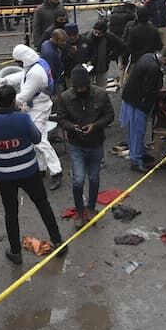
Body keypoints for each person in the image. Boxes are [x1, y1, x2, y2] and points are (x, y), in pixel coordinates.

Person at [0, 85, 64, 264]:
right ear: (14, 100)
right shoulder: (23, 119)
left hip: (4, 175)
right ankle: (58, 242)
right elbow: (37, 138)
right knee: (42, 205)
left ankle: (15, 252)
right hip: (29, 171)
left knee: (11, 212)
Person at [56, 67, 114, 227]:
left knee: (94, 177)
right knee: (78, 180)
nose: (80, 90)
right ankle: (80, 211)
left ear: (88, 84)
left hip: (96, 143)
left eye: (83, 87)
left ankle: (91, 207)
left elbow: (110, 115)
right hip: (77, 145)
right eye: (77, 88)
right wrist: (72, 127)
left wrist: (95, 126)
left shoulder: (100, 95)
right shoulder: (65, 98)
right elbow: (61, 118)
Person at [8, 44, 64, 190]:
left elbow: (24, 95)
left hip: (38, 107)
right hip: (39, 106)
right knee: (37, 139)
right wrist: (7, 81)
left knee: (39, 140)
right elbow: (23, 75)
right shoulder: (37, 63)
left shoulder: (35, 72)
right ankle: (41, 168)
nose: (19, 64)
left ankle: (56, 171)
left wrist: (5, 97)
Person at [120, 47, 166, 172]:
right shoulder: (154, 68)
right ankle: (136, 160)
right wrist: (165, 96)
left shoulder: (148, 56)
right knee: (137, 132)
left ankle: (139, 153)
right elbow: (148, 91)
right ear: (165, 59)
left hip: (131, 98)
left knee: (135, 131)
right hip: (138, 102)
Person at [79, 19, 126, 88]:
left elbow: (122, 45)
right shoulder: (86, 37)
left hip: (102, 67)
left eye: (99, 33)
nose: (96, 35)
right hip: (89, 67)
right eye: (95, 32)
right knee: (88, 87)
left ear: (104, 32)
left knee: (101, 88)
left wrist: (113, 55)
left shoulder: (109, 37)